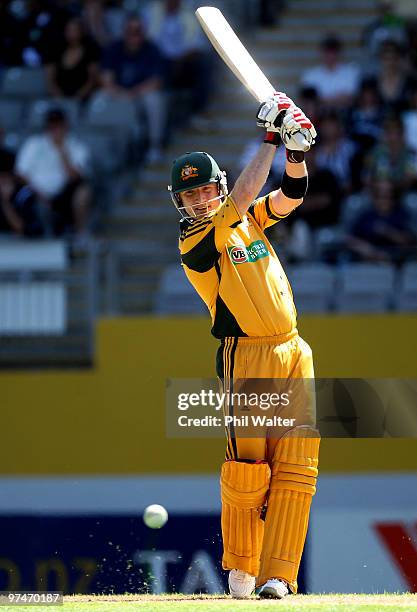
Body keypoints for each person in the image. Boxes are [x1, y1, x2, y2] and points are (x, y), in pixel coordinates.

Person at [168, 93, 320, 599]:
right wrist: (273, 137)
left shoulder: (248, 217)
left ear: (219, 187)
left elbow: (290, 197)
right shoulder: (195, 246)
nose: (198, 202)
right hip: (246, 356)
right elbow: (243, 196)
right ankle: (241, 571)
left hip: (293, 349)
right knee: (248, 469)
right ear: (179, 204)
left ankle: (278, 576)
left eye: (204, 191)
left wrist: (295, 153)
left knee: (297, 466)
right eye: (188, 198)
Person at [15, 108, 91, 237]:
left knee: (83, 190)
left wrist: (62, 152)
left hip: (63, 196)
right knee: (22, 195)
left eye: (59, 125)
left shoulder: (77, 146)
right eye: (52, 125)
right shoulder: (34, 143)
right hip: (34, 192)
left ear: (66, 126)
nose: (55, 129)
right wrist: (40, 194)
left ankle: (80, 234)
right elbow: (20, 173)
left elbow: (75, 177)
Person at [101, 15, 166, 164]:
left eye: (137, 30)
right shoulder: (114, 48)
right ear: (124, 31)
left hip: (141, 94)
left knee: (154, 99)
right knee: (99, 98)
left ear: (142, 32)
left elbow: (157, 81)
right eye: (130, 30)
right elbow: (106, 79)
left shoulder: (151, 49)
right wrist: (119, 93)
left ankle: (155, 145)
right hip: (118, 93)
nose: (134, 34)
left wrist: (134, 93)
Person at [346, 179, 416, 262]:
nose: (383, 201)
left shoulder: (402, 215)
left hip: (396, 262)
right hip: (367, 262)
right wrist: (368, 250)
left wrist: (388, 232)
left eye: (388, 197)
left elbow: (410, 242)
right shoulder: (366, 216)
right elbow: (349, 239)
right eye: (379, 196)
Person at [46, 16, 100, 101]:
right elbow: (50, 79)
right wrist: (58, 96)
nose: (71, 33)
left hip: (82, 98)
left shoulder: (90, 51)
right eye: (68, 30)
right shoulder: (56, 50)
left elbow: (92, 79)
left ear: (81, 31)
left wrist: (77, 97)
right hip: (59, 97)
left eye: (74, 30)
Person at [301, 35, 360, 110]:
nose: (330, 55)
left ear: (339, 52)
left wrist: (322, 100)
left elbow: (351, 99)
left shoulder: (351, 72)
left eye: (333, 51)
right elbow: (308, 102)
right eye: (327, 52)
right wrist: (338, 99)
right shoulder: (310, 75)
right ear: (322, 52)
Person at [0, 150, 43, 238]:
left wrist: (5, 202)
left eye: (4, 178)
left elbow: (22, 228)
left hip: (20, 246)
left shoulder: (24, 195)